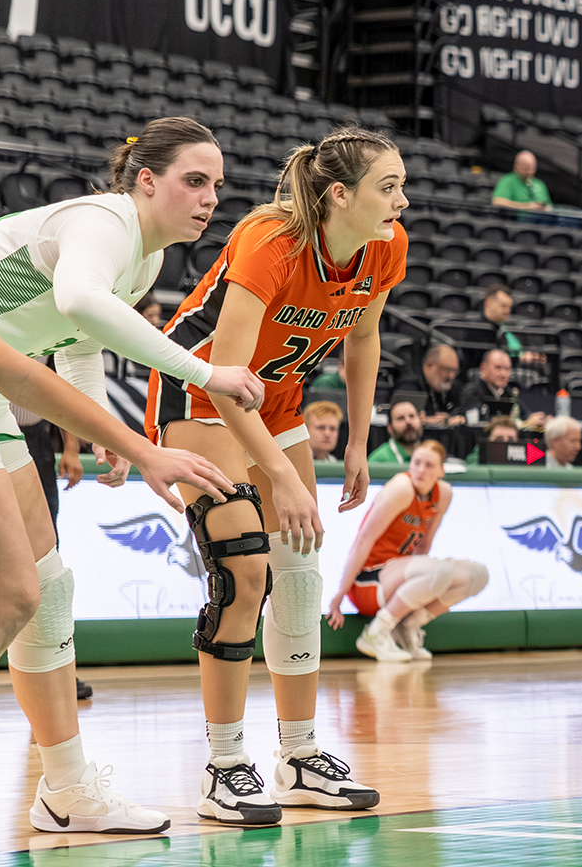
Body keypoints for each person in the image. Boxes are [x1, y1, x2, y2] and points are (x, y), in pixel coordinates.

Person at [0, 119, 263, 835]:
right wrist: (203, 375)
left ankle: (66, 789)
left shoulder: (144, 261)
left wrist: (100, 432)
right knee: (16, 591)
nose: (210, 199)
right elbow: (83, 302)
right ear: (145, 181)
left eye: (218, 186)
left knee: (44, 592)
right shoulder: (104, 221)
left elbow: (75, 342)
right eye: (194, 181)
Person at [149, 125, 409, 825]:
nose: (403, 202)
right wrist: (282, 476)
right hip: (202, 389)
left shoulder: (385, 247)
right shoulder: (272, 239)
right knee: (242, 567)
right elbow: (226, 376)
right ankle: (225, 765)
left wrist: (359, 439)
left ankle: (299, 757)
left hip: (280, 399)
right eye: (389, 187)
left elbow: (364, 338)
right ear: (339, 194)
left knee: (299, 565)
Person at [327, 440, 488, 661]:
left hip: (400, 576)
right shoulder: (401, 489)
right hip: (369, 580)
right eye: (417, 463)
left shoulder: (444, 494)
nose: (421, 470)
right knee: (440, 570)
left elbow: (424, 546)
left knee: (476, 575)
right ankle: (376, 633)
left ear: (442, 470)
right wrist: (339, 595)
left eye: (429, 465)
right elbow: (362, 541)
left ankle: (408, 626)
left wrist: (426, 588)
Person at [480, 284, 546, 380]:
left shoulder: (504, 329)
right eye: (503, 306)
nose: (507, 311)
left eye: (509, 307)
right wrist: (521, 358)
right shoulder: (479, 330)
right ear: (488, 303)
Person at [394, 343, 462, 427]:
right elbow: (403, 421)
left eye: (455, 371)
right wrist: (440, 422)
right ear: (429, 364)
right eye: (447, 370)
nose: (451, 376)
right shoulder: (409, 386)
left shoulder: (447, 388)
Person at [457, 348, 522, 424]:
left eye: (507, 369)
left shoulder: (510, 394)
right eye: (498, 367)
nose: (503, 374)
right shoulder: (471, 393)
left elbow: (524, 415)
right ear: (483, 368)